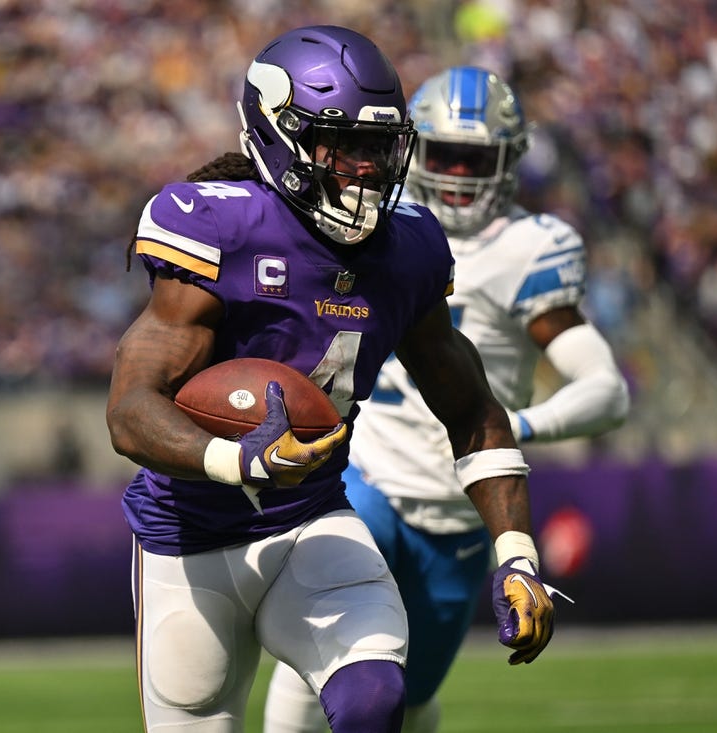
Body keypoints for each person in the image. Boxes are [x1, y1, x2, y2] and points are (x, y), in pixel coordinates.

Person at [106, 32, 557, 733]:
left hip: (310, 520)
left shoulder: (408, 250)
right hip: (188, 538)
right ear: (280, 136)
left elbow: (472, 408)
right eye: (342, 146)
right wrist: (238, 458)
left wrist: (517, 555)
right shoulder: (216, 227)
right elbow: (130, 410)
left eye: (379, 149)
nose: (367, 170)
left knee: (376, 696)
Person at [264, 65, 630, 733]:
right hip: (364, 482)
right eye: (446, 154)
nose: (459, 174)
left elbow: (607, 391)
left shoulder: (528, 249)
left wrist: (510, 424)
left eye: (475, 157)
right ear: (413, 152)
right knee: (313, 658)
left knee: (410, 694)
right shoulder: (377, 225)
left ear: (508, 161)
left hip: (461, 514)